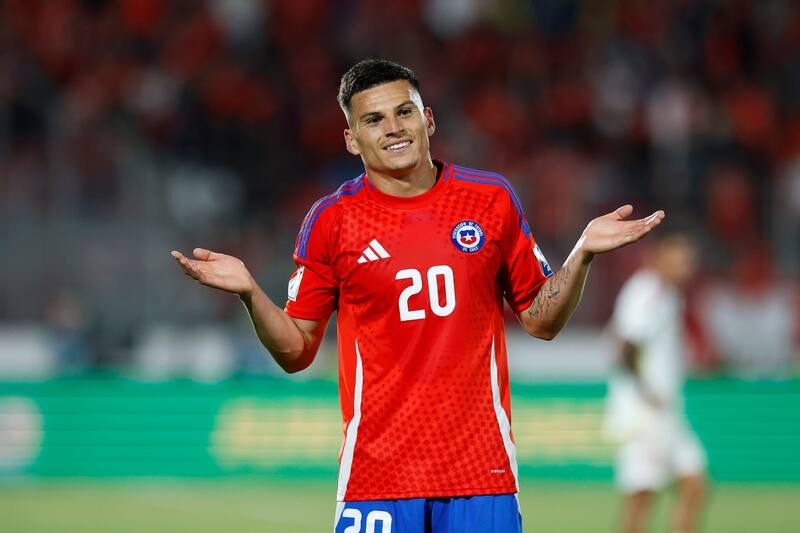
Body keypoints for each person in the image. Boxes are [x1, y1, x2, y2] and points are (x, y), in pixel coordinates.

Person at [171, 59, 664, 532]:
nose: (393, 127)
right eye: (373, 119)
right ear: (351, 138)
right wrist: (251, 294)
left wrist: (580, 256)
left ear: (428, 118)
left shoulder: (490, 199)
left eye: (404, 111)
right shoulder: (331, 221)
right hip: (377, 479)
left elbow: (541, 319)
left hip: (481, 474)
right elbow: (297, 349)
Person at [604, 230, 707, 533]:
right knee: (642, 498)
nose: (684, 267)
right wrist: (647, 393)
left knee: (694, 485)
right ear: (658, 258)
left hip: (666, 412)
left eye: (688, 261)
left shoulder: (669, 294)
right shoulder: (645, 292)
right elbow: (624, 346)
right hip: (644, 414)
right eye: (678, 260)